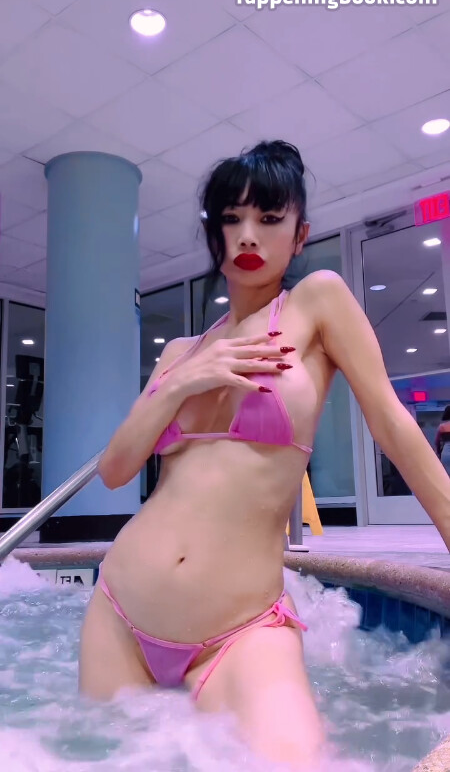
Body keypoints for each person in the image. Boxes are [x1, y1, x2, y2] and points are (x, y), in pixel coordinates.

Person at [79, 140, 450, 770]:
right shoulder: (179, 353)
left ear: (300, 235)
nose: (248, 234)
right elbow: (115, 471)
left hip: (239, 630)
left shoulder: (316, 303)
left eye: (270, 218)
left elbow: (393, 424)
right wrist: (183, 382)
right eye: (232, 218)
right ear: (215, 234)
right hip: (118, 615)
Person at [435, 405, 450, 474]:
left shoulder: (442, 426)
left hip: (445, 453)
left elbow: (437, 442)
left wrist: (439, 453)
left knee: (446, 476)